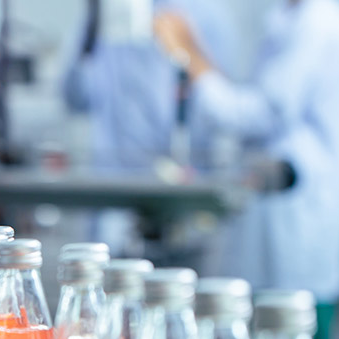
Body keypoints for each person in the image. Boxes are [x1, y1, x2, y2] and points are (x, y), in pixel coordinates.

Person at [154, 0, 339, 339]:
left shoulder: (316, 23)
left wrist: (191, 54)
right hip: (285, 219)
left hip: (298, 219)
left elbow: (262, 114)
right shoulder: (289, 19)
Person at [62, 0, 234, 252]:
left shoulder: (205, 12)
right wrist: (90, 32)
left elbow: (221, 103)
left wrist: (187, 50)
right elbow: (74, 98)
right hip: (112, 198)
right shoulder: (108, 12)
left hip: (178, 200)